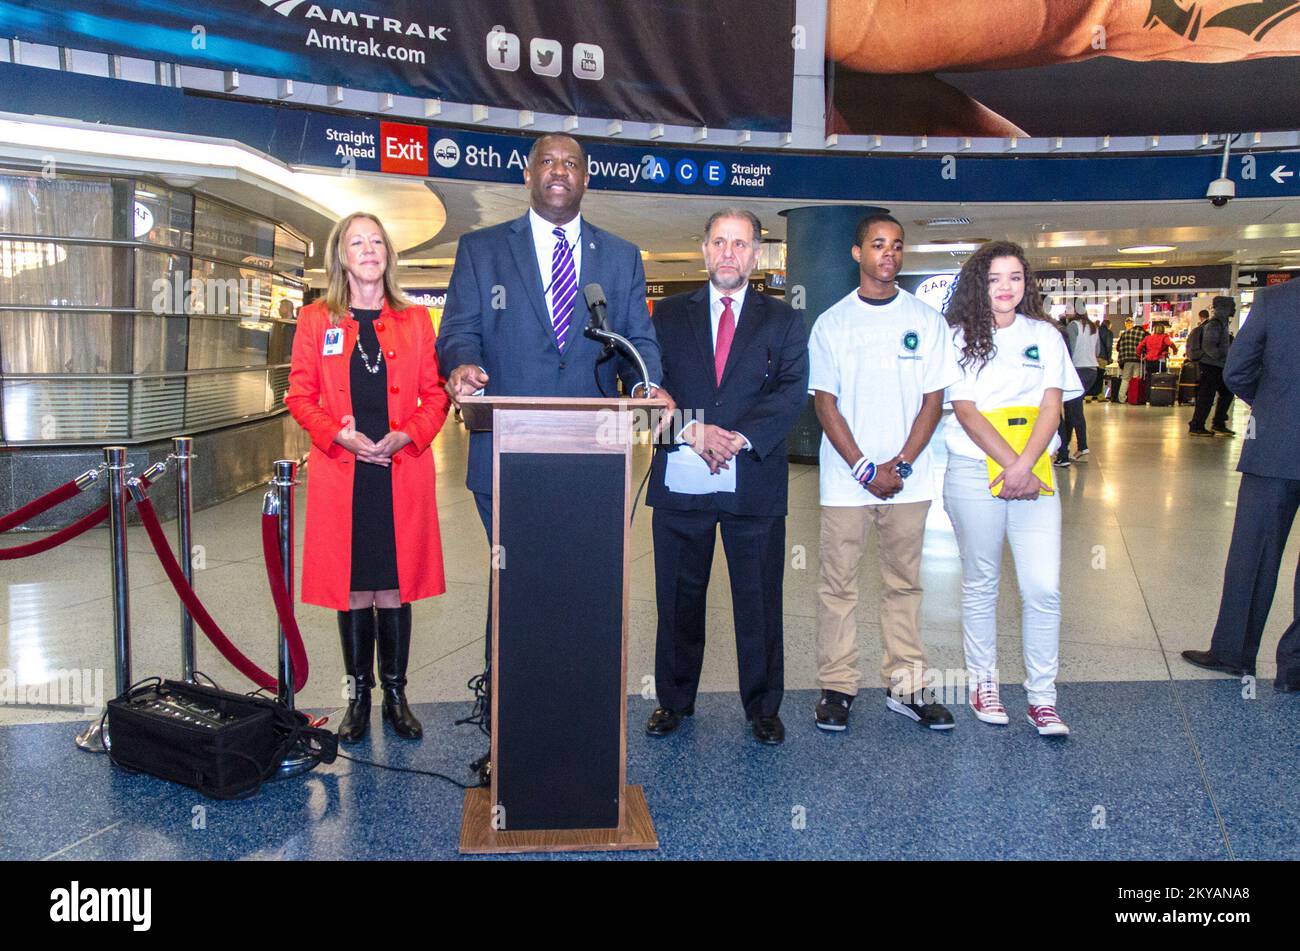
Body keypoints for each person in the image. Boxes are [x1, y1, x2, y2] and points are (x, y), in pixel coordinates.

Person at [436, 133, 673, 753]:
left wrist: (647, 383)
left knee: (582, 591)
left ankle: (580, 734)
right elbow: (458, 331)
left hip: (594, 459)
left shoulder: (619, 257)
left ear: (586, 179)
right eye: (548, 162)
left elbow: (639, 341)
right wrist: (461, 366)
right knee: (518, 587)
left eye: (572, 163)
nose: (560, 171)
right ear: (529, 175)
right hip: (507, 458)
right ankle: (508, 736)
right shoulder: (483, 250)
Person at [643, 209, 809, 746]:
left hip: (753, 481)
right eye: (719, 242)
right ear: (704, 250)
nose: (729, 253)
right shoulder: (664, 316)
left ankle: (763, 708)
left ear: (757, 254)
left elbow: (790, 392)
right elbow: (643, 390)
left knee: (758, 599)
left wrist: (733, 439)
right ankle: (673, 702)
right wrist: (697, 432)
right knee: (677, 597)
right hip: (681, 480)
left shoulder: (782, 321)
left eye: (740, 244)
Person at [285, 212, 449, 743]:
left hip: (400, 469)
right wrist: (339, 434)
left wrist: (408, 435)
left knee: (394, 585)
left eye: (377, 240)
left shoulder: (415, 320)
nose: (369, 249)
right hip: (345, 471)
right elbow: (299, 396)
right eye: (357, 242)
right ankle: (358, 698)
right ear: (341, 256)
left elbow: (437, 393)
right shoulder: (316, 320)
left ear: (388, 254)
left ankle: (396, 696)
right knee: (355, 587)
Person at [807, 213, 962, 732]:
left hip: (910, 481)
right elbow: (825, 404)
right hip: (845, 483)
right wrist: (863, 466)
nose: (888, 253)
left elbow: (933, 400)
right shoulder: (832, 323)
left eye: (897, 245)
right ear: (858, 254)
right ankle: (837, 686)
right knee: (838, 587)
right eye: (877, 244)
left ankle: (908, 686)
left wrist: (902, 464)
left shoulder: (927, 320)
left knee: (905, 585)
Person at [942, 241, 1083, 736]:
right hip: (972, 472)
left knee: (1043, 587)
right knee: (982, 583)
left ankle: (1042, 698)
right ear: (979, 283)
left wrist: (1026, 466)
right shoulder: (955, 337)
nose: (1006, 287)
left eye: (1015, 278)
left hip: (1034, 475)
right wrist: (1010, 464)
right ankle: (984, 683)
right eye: (995, 278)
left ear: (1027, 284)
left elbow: (1052, 406)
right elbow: (965, 409)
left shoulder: (1045, 336)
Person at [1182, 277, 1300, 691]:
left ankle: (1234, 652)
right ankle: (1296, 669)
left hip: (1276, 445)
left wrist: (1270, 406)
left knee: (1254, 552)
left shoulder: (1276, 300)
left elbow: (1238, 370)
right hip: (1277, 440)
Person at [1054, 310, 1098, 467]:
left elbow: (1070, 349)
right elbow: (1097, 350)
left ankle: (1082, 446)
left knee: (1074, 409)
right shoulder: (1094, 327)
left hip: (1077, 369)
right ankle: (1067, 447)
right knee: (1072, 408)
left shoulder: (1073, 325)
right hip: (1092, 370)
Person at [1188, 296, 1237, 437]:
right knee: (1207, 396)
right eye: (1231, 307)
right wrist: (1223, 358)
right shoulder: (1215, 324)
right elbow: (1209, 346)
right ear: (1224, 308)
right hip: (1211, 366)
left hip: (1217, 365)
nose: (1233, 310)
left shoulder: (1221, 323)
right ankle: (1197, 425)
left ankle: (1218, 423)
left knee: (1225, 393)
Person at [1115, 317, 1146, 403]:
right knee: (1136, 379)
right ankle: (1134, 397)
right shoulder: (1142, 333)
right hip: (1138, 359)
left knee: (1125, 379)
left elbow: (1118, 347)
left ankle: (1121, 398)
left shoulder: (1125, 333)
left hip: (1127, 360)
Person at [1138, 321, 1175, 386]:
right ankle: (1158, 394)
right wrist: (1175, 350)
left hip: (1149, 361)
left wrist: (1141, 356)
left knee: (1149, 379)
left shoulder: (1148, 338)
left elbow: (1139, 347)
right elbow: (1170, 344)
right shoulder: (1164, 337)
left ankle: (1149, 394)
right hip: (1160, 361)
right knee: (1160, 380)